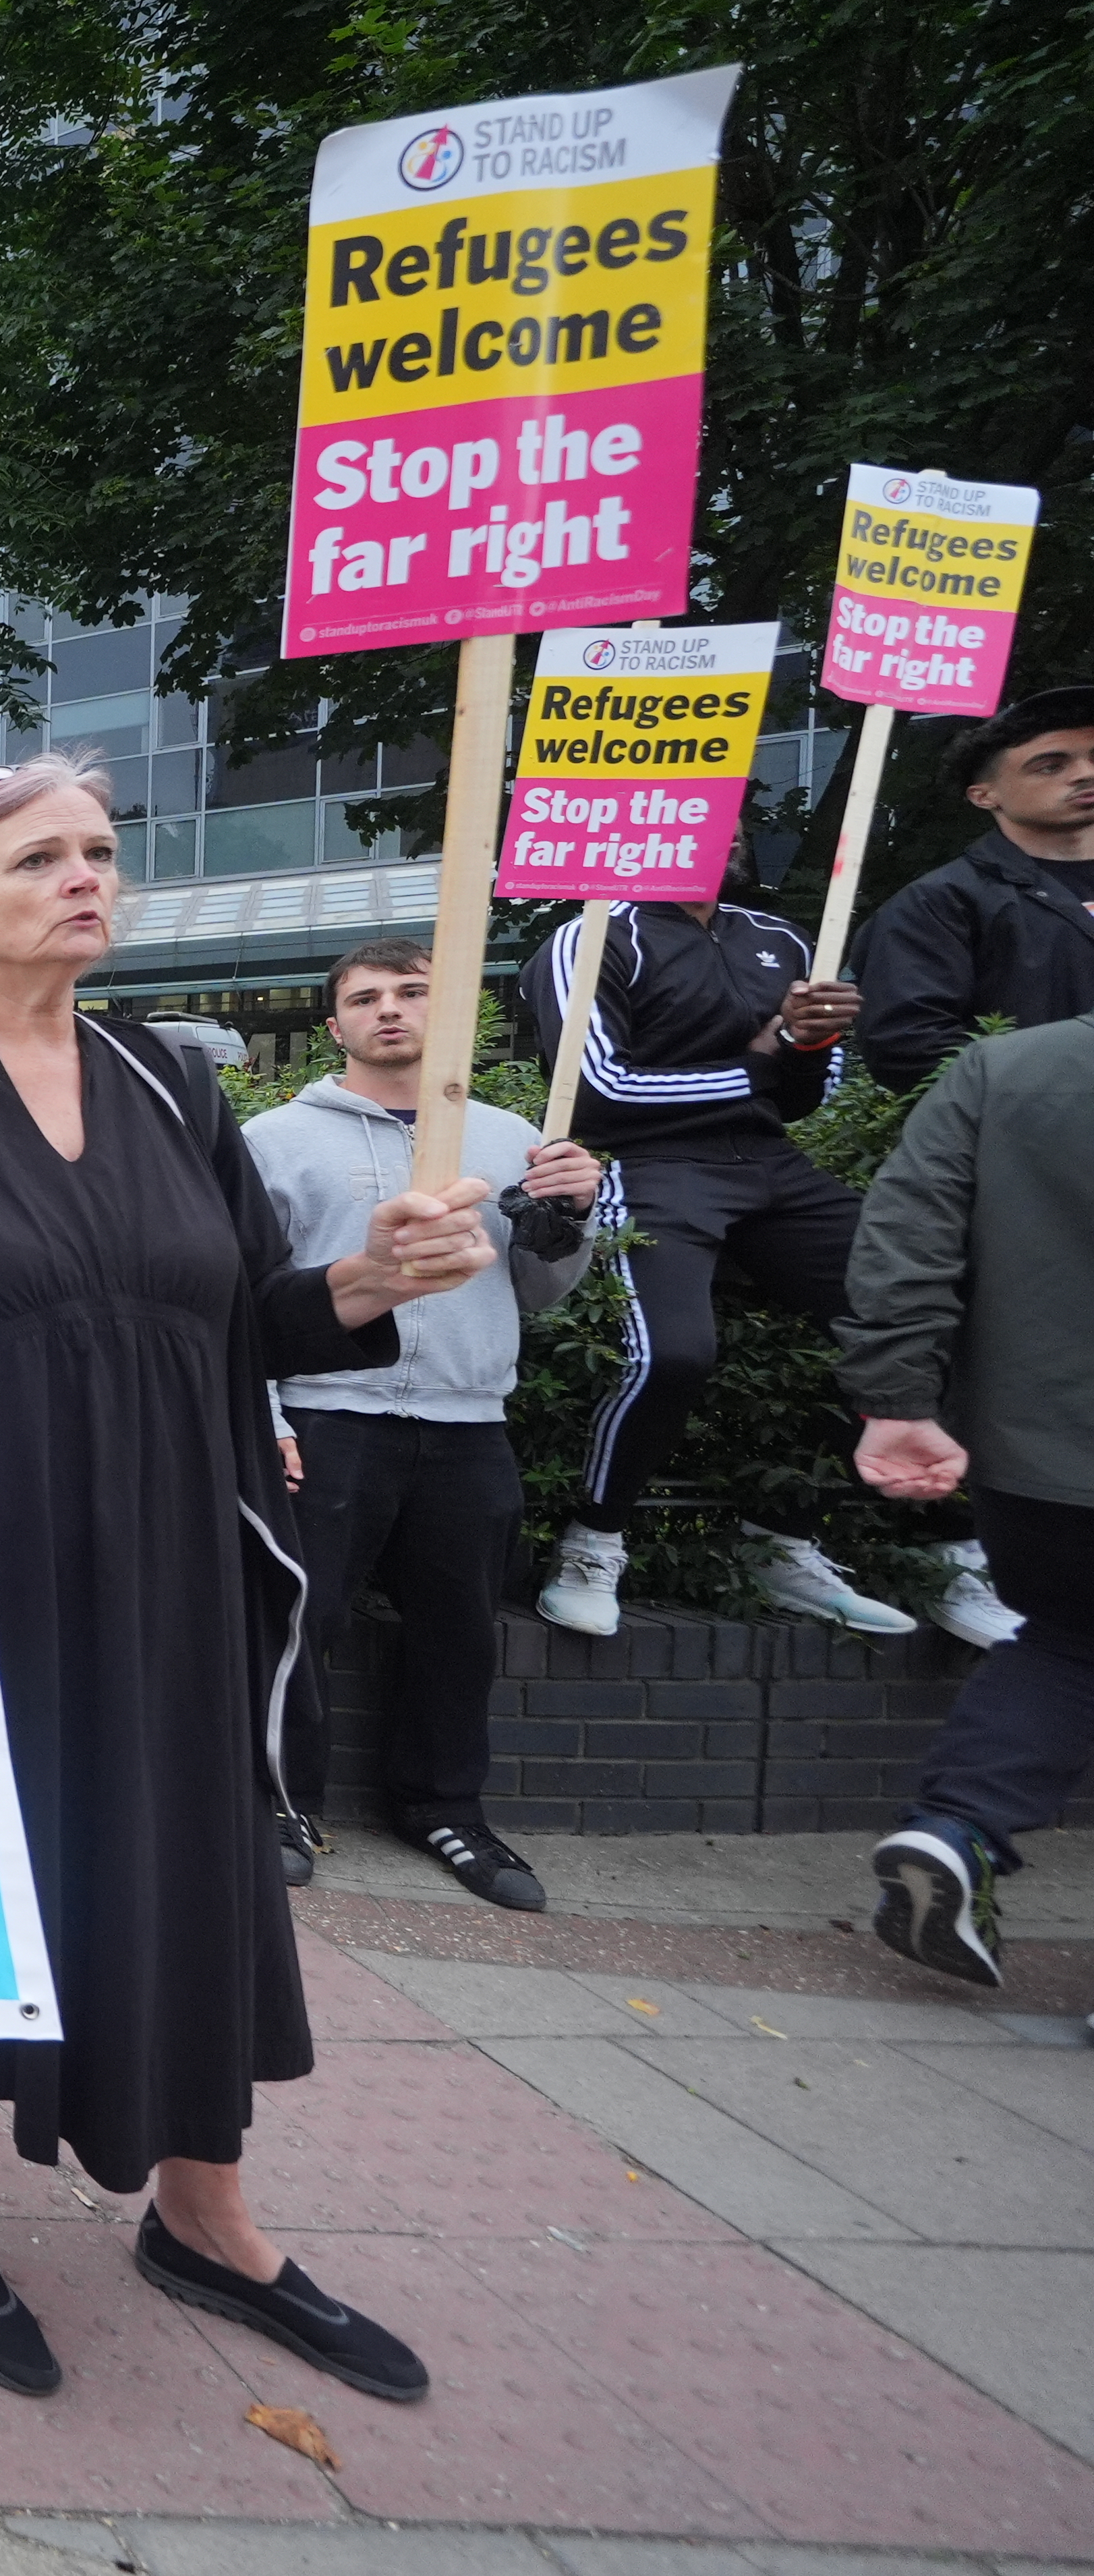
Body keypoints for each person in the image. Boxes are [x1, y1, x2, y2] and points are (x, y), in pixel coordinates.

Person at [0, 754, 488, 2407]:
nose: (87, 876)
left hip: (181, 1551)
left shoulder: (178, 1082)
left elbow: (255, 1318)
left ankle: (206, 2211)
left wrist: (368, 1278)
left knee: (188, 1858)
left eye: (102, 851)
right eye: (41, 857)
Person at [511, 857, 1011, 1646]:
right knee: (672, 1354)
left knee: (932, 1320)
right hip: (645, 1163)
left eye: (738, 816)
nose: (727, 830)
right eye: (703, 808)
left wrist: (805, 1046)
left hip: (773, 1162)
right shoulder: (593, 934)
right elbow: (601, 1089)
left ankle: (824, 1541)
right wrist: (759, 1060)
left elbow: (809, 1094)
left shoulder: (780, 937)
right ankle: (593, 1542)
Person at [243, 939, 604, 1910]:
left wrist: (569, 1224)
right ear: (335, 1026)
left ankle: (446, 1808)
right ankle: (279, 1803)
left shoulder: (517, 1141)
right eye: (365, 998)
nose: (389, 1010)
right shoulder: (274, 1141)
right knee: (294, 1623)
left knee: (460, 1633)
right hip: (326, 1414)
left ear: (447, 1018)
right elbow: (246, 1302)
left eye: (411, 993)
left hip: (467, 1418)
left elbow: (540, 1295)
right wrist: (266, 1413)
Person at [837, 1005, 1094, 1998]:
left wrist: (899, 1399)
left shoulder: (1010, 1069)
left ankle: (959, 1831)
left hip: (1040, 1454)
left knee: (1071, 1638)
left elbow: (905, 1233)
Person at [855, 685, 1094, 1090]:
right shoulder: (938, 905)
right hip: (1037, 1143)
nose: (1085, 773)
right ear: (984, 796)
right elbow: (908, 1050)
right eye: (1050, 766)